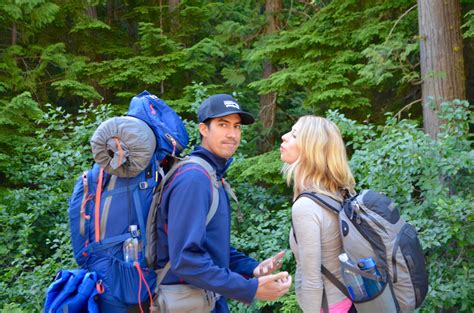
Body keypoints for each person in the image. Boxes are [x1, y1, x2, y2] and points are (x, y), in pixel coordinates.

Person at [154, 94, 292, 312]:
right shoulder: (194, 179)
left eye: (237, 126)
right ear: (203, 129)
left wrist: (253, 269)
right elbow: (186, 259)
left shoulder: (211, 174)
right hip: (186, 302)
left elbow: (210, 245)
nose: (232, 134)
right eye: (223, 124)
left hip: (204, 300)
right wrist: (250, 289)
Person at [280, 116, 355, 313]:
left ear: (310, 149)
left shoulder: (306, 206)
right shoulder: (340, 194)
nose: (284, 137)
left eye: (294, 134)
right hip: (349, 301)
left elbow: (312, 281)